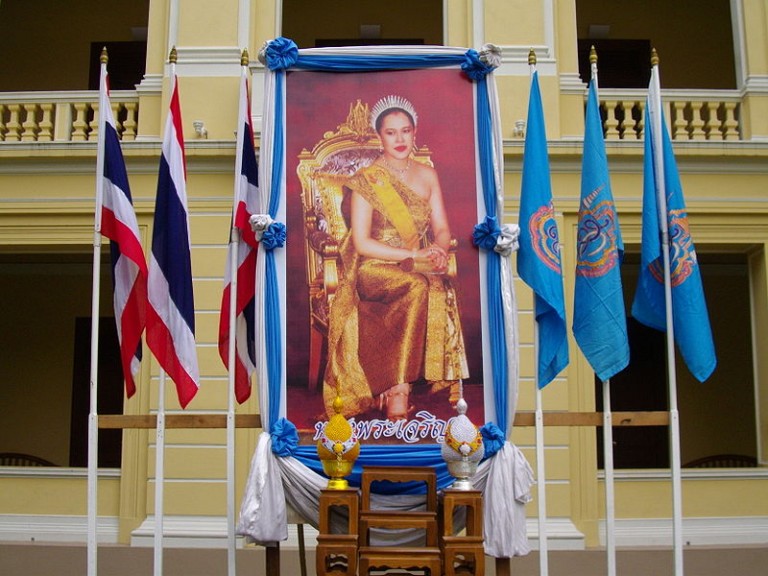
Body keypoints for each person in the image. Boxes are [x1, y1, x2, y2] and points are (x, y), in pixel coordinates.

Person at [322, 95, 469, 421]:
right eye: (391, 132)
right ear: (379, 136)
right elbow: (362, 243)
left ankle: (394, 387)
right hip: (374, 267)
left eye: (405, 131)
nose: (399, 139)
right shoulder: (367, 179)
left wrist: (438, 249)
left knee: (427, 284)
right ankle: (398, 391)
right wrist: (413, 253)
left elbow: (442, 228)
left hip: (416, 262)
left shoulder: (428, 175)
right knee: (417, 287)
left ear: (415, 132)